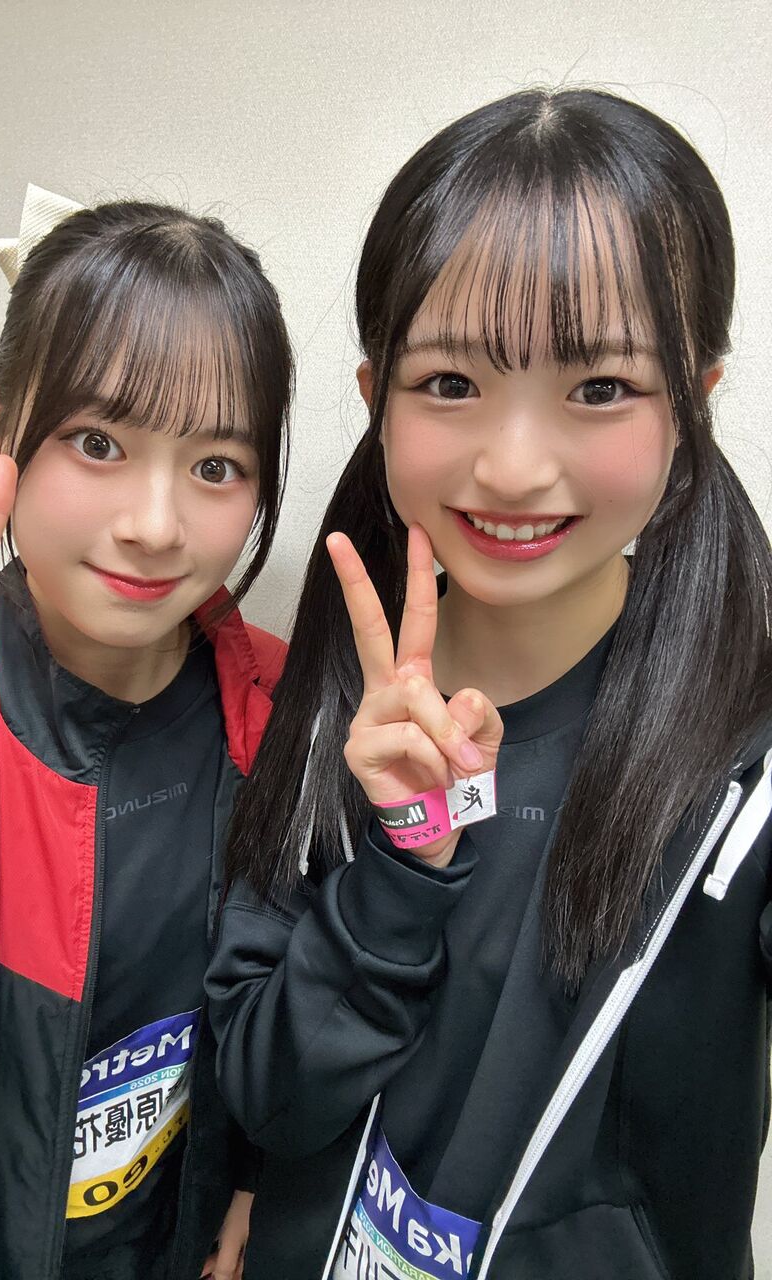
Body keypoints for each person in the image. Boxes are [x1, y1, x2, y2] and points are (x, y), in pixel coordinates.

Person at [206, 88, 772, 1280]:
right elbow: (269, 1093)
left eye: (600, 387)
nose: (513, 467)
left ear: (697, 399)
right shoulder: (329, 698)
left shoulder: (747, 769)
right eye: (452, 384)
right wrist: (402, 870)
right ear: (376, 395)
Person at [0, 186, 293, 1280]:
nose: (155, 525)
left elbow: (278, 1023)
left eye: (215, 466)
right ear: (0, 434)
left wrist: (254, 1180)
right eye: (98, 441)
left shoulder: (280, 712)